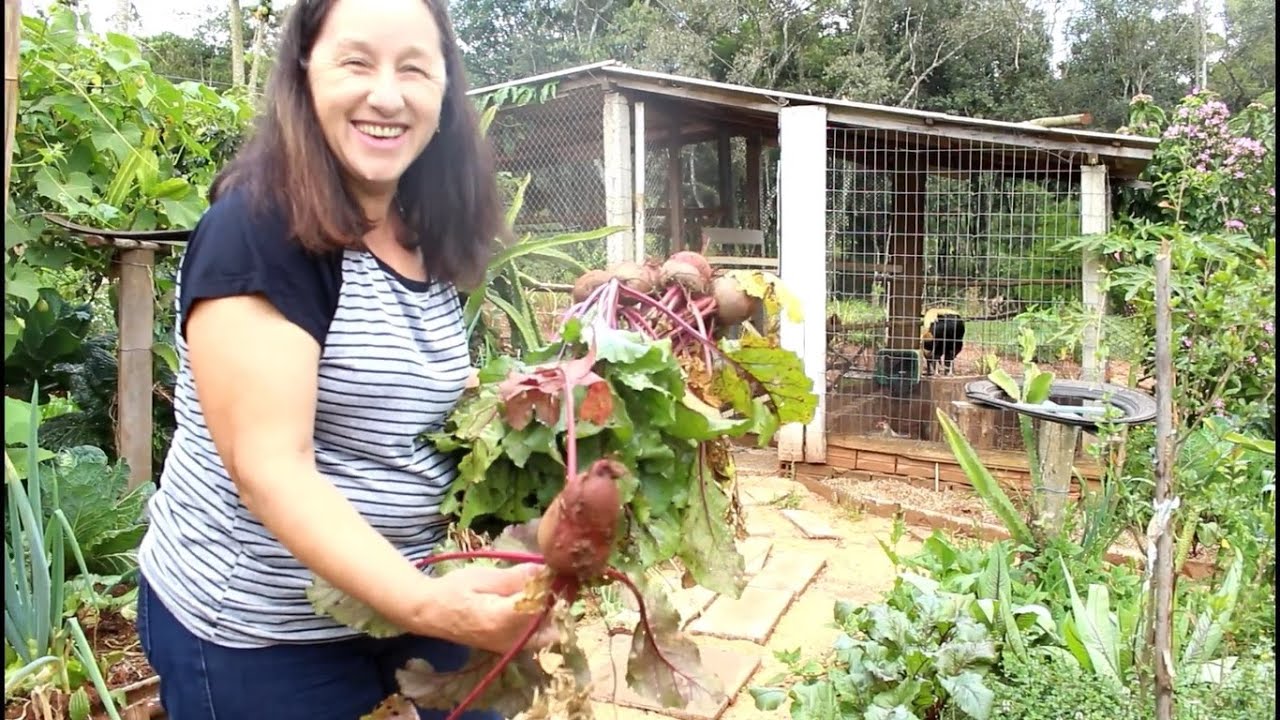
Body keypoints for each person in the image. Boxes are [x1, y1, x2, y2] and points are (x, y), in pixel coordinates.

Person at [133, 1, 551, 717]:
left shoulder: (419, 226)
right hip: (263, 633)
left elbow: (391, 390)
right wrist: (429, 605)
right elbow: (271, 470)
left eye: (414, 69)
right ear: (305, 73)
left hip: (403, 593)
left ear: (445, 89)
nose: (387, 96)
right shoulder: (257, 230)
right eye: (357, 62)